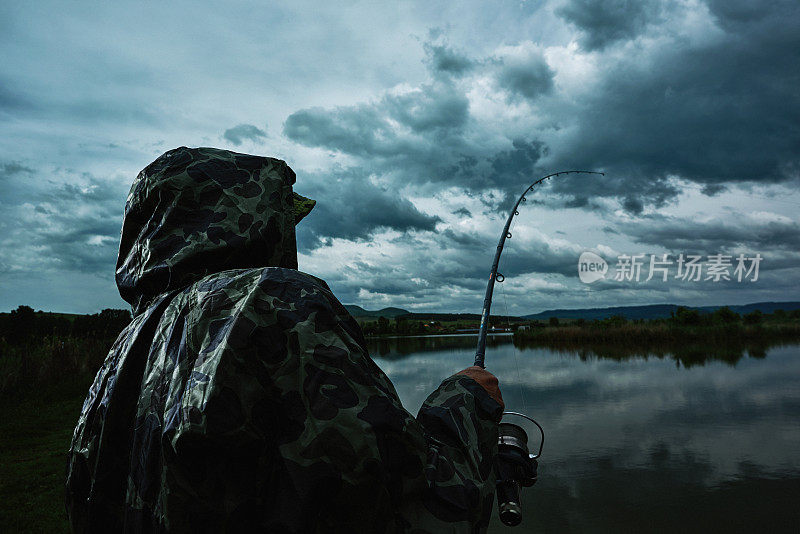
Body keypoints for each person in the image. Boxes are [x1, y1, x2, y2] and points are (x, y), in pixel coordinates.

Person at [66, 147, 505, 533]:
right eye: (284, 219)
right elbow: (413, 502)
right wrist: (466, 401)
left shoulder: (122, 353)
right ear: (253, 221)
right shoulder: (269, 300)